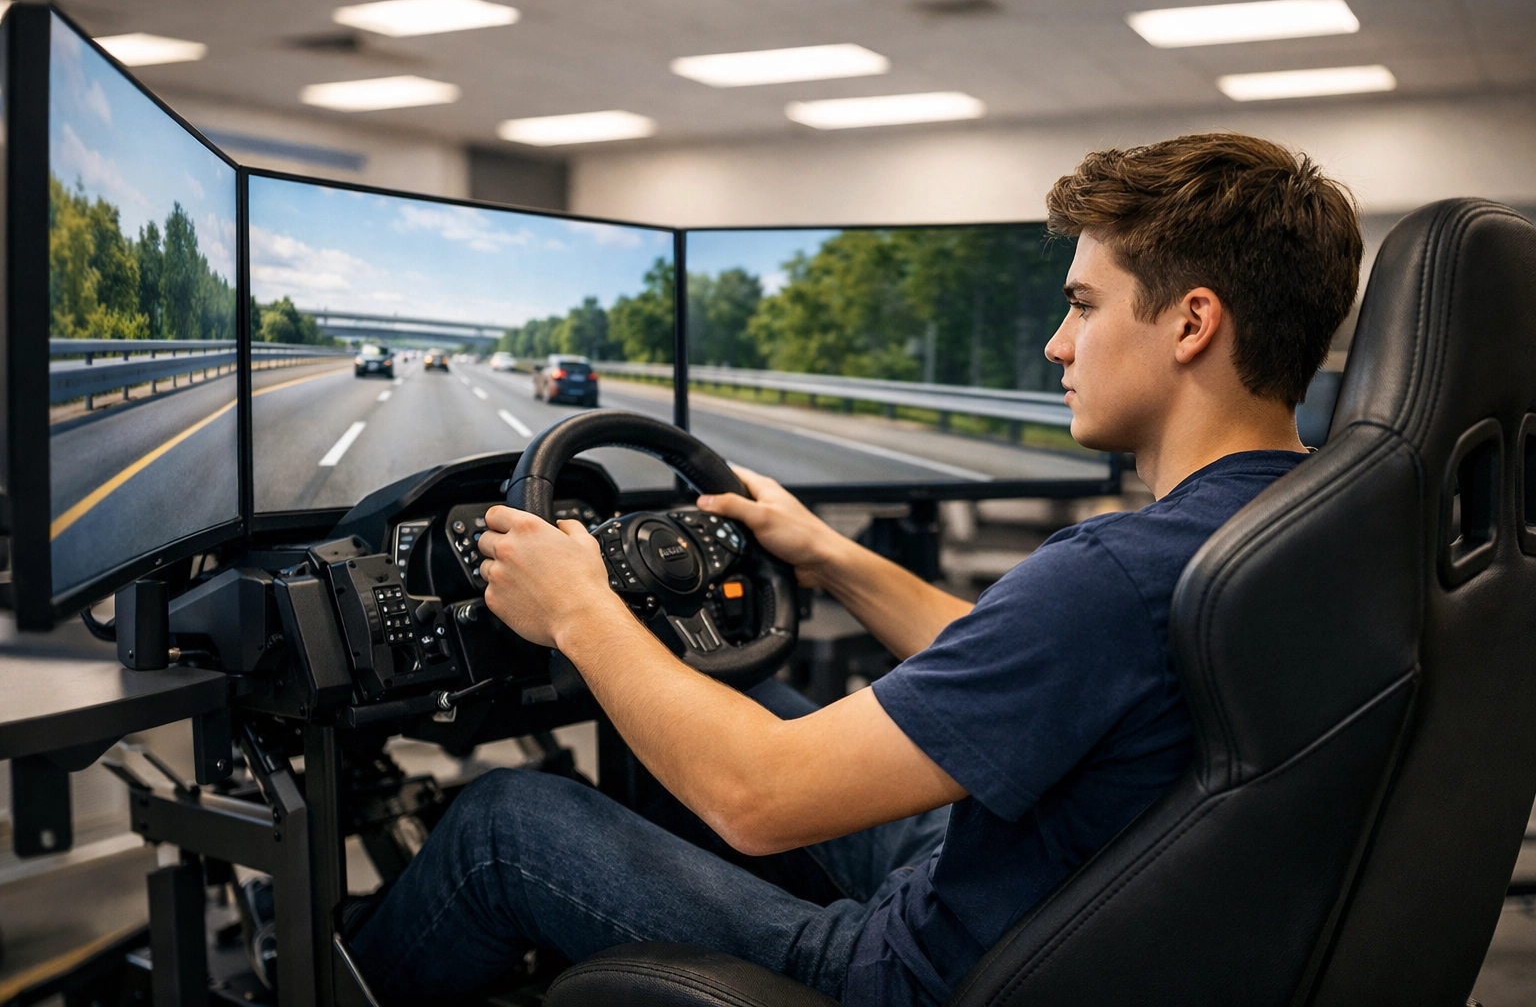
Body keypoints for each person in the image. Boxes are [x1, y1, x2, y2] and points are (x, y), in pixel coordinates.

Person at [351, 133, 1364, 1006]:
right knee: (747, 687)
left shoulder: (1114, 573)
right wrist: (830, 556)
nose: (1059, 345)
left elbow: (755, 795)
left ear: (1192, 323)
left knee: (501, 821)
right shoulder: (1304, 527)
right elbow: (1029, 665)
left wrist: (580, 609)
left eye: (1085, 307)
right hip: (1075, 917)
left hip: (923, 973)